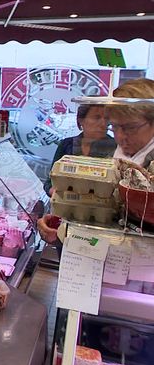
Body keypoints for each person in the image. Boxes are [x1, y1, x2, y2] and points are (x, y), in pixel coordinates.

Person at [38, 77, 154, 245]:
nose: (120, 136)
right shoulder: (120, 154)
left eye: (130, 127)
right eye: (115, 127)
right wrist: (64, 222)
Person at [43, 104, 116, 195]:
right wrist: (56, 193)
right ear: (81, 120)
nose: (103, 123)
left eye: (106, 118)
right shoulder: (67, 145)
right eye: (96, 118)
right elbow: (49, 182)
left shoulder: (115, 148)